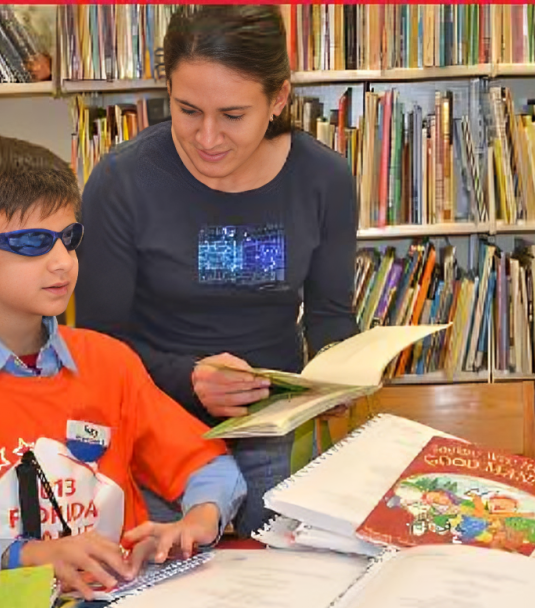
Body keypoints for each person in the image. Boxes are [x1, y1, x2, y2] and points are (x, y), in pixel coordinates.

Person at [0, 135, 246, 599]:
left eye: (69, 238)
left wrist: (199, 518)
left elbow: (209, 466)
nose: (62, 262)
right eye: (33, 243)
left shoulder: (109, 362)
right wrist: (28, 555)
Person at [73, 5, 358, 537]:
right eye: (186, 110)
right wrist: (191, 377)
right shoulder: (124, 181)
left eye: (232, 115)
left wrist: (342, 374)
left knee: (275, 588)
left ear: (278, 99)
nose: (207, 138)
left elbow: (329, 316)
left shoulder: (325, 179)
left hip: (273, 433)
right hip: (157, 436)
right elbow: (97, 345)